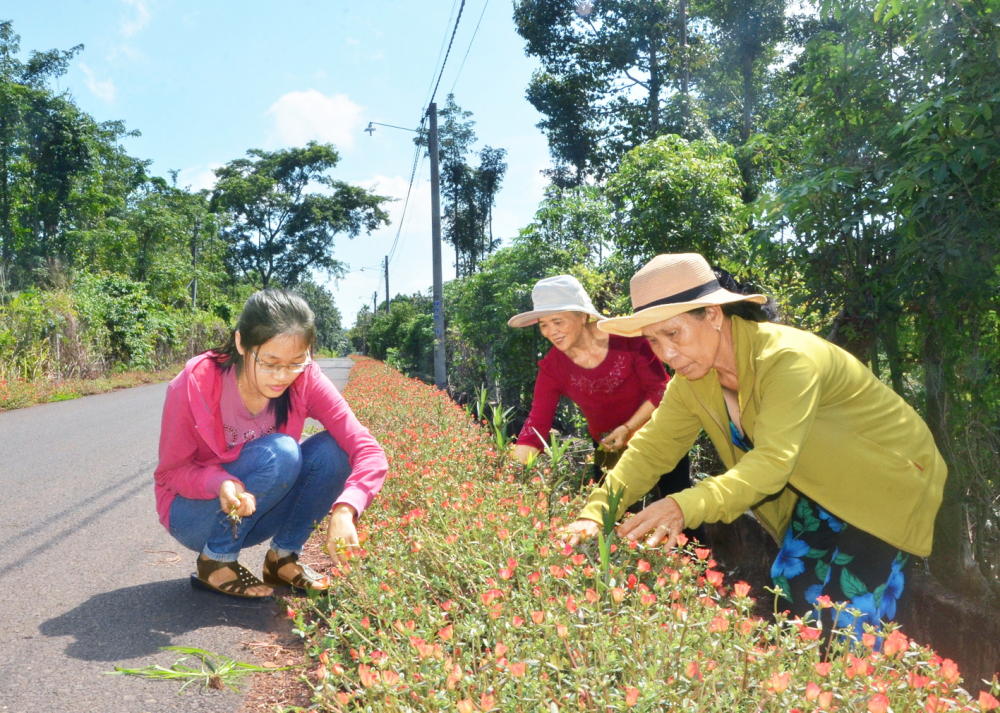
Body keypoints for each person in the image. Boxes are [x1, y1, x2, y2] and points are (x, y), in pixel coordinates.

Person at [563, 254, 947, 634]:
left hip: (887, 479)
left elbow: (772, 462)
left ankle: (863, 692)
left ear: (713, 314)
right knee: (791, 581)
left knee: (851, 614)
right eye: (653, 341)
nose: (666, 354)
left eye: (673, 334)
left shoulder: (785, 359)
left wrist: (683, 505)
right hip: (826, 486)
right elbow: (651, 450)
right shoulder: (692, 380)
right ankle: (813, 685)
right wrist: (596, 513)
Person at [154, 290, 388, 599]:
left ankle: (283, 559)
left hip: (259, 511)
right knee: (281, 454)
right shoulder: (194, 384)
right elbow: (171, 474)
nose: (282, 377)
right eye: (269, 362)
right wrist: (221, 482)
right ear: (241, 343)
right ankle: (216, 560)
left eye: (295, 363)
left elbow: (367, 449)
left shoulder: (306, 378)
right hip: (195, 514)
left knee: (336, 450)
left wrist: (347, 509)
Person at [508, 274, 691, 509]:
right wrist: (510, 476)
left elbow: (659, 390)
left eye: (557, 321)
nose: (550, 332)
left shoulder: (626, 339)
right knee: (612, 519)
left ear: (583, 316)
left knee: (677, 508)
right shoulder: (553, 367)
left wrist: (628, 428)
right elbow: (537, 423)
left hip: (661, 434)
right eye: (543, 325)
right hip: (608, 445)